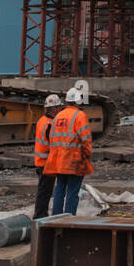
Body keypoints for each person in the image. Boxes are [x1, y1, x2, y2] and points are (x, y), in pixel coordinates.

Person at [46, 86, 94, 216]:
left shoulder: (57, 117)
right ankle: (69, 218)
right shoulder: (80, 115)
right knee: (73, 191)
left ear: (66, 101)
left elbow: (52, 139)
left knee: (60, 189)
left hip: (59, 161)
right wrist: (87, 157)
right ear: (78, 101)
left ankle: (56, 217)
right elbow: (86, 139)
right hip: (74, 160)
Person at [32, 93, 61, 219]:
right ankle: (39, 216)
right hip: (46, 163)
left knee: (43, 191)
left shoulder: (42, 121)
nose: (60, 109)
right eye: (58, 107)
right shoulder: (50, 124)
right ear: (53, 108)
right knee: (44, 193)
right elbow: (52, 144)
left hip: (41, 162)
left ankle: (41, 215)